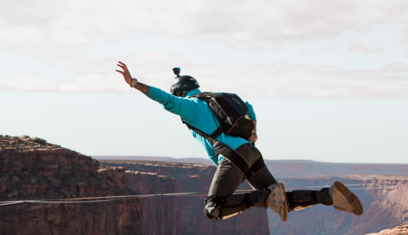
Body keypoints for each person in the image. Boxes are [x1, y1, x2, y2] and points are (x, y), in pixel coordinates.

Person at [114, 62, 362, 221]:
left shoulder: (189, 106)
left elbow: (165, 100)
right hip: (251, 152)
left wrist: (134, 83)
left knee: (214, 209)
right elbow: (250, 107)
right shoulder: (218, 99)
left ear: (180, 92)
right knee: (280, 201)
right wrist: (254, 130)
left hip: (232, 157)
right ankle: (328, 195)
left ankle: (265, 198)